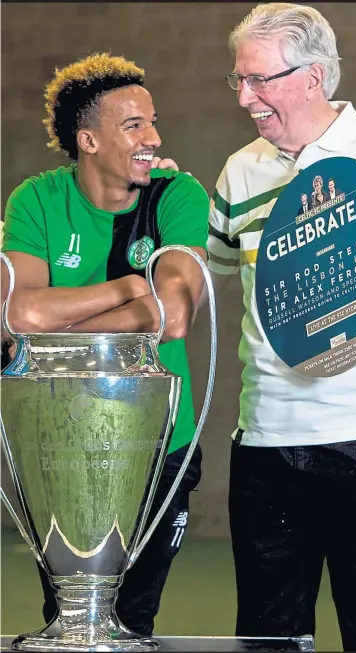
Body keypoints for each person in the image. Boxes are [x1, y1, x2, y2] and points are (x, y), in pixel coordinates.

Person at [208, 3, 356, 651]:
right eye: (237, 79)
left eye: (259, 79)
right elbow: (207, 273)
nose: (244, 97)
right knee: (268, 639)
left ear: (313, 76)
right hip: (263, 445)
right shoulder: (239, 171)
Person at [1, 52, 209, 637]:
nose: (154, 137)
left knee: (132, 622)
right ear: (87, 140)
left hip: (162, 441)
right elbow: (15, 314)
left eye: (152, 122)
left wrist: (57, 326)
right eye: (134, 125)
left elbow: (171, 316)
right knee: (66, 620)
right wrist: (126, 286)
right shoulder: (36, 199)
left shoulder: (176, 195)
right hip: (56, 437)